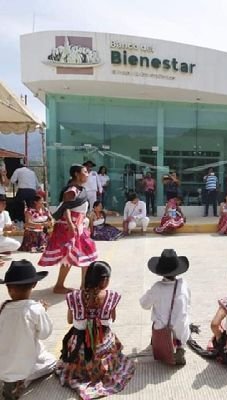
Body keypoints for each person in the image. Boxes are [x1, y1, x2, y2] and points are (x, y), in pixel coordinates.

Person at [56, 261, 135, 399]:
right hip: (101, 345)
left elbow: (70, 321)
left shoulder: (73, 297)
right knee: (109, 338)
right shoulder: (111, 296)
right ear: (105, 280)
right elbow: (113, 319)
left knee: (75, 344)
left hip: (78, 347)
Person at [0, 260, 56, 400]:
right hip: (22, 366)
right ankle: (20, 382)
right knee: (51, 361)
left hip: (2, 364)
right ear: (34, 284)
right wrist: (43, 311)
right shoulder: (35, 309)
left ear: (8, 288)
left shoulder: (2, 307)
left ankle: (9, 379)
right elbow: (45, 333)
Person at [39, 164, 98, 294]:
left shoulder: (79, 189)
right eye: (85, 172)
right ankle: (66, 286)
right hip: (70, 226)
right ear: (77, 174)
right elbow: (66, 208)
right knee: (76, 254)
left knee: (78, 255)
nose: (87, 174)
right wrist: (71, 225)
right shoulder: (72, 190)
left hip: (78, 225)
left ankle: (81, 285)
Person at [140, 249, 191, 366]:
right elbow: (188, 306)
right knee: (184, 318)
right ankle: (179, 347)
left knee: (158, 321)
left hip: (162, 330)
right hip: (181, 332)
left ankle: (163, 347)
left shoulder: (157, 287)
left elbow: (144, 304)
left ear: (161, 272)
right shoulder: (183, 285)